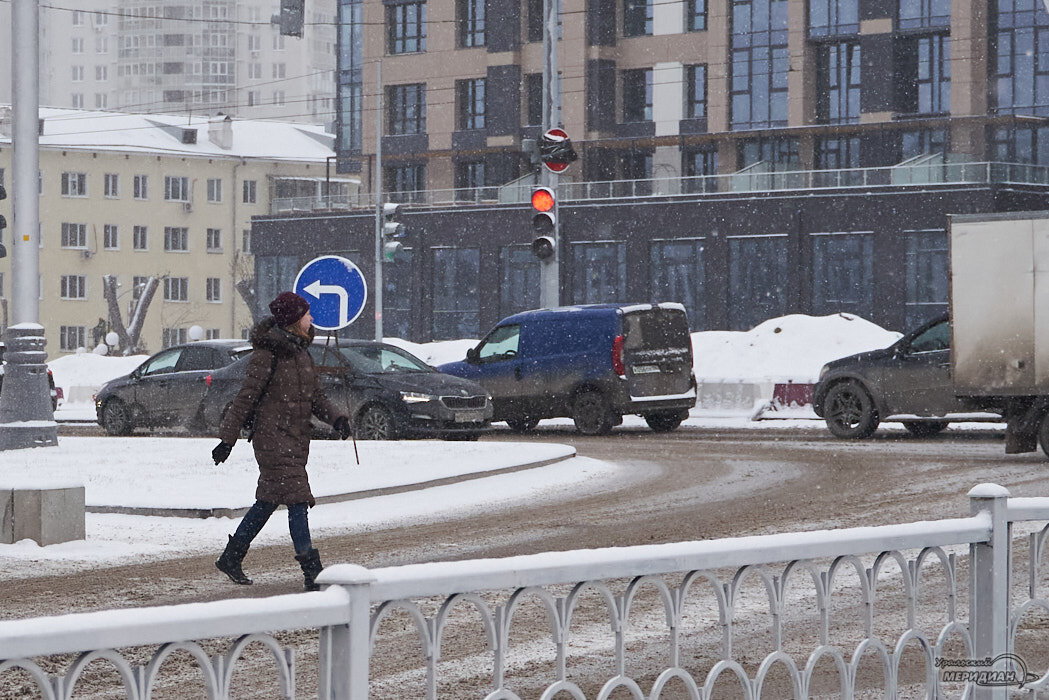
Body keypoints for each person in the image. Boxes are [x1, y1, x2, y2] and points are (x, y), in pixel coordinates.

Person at [211, 291, 352, 591]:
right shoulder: (267, 355)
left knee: (267, 501)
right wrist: (227, 440)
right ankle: (312, 572)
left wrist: (338, 418)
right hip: (272, 440)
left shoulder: (303, 354)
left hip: (296, 439)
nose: (311, 318)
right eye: (306, 314)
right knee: (298, 498)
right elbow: (244, 399)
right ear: (292, 320)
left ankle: (232, 556)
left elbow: (317, 398)